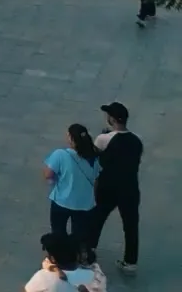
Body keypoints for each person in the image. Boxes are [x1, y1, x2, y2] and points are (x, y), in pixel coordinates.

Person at [90, 101, 142, 275]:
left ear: (112, 119)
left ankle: (90, 248)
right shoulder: (136, 141)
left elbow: (95, 155)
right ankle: (130, 261)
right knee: (131, 225)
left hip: (108, 186)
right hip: (130, 187)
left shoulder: (104, 138)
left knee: (98, 217)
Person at [44, 123, 101, 243]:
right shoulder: (94, 158)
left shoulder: (60, 154)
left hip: (61, 201)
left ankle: (60, 255)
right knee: (79, 233)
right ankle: (76, 253)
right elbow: (96, 180)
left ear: (71, 139)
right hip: (84, 203)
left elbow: (48, 174)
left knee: (58, 231)